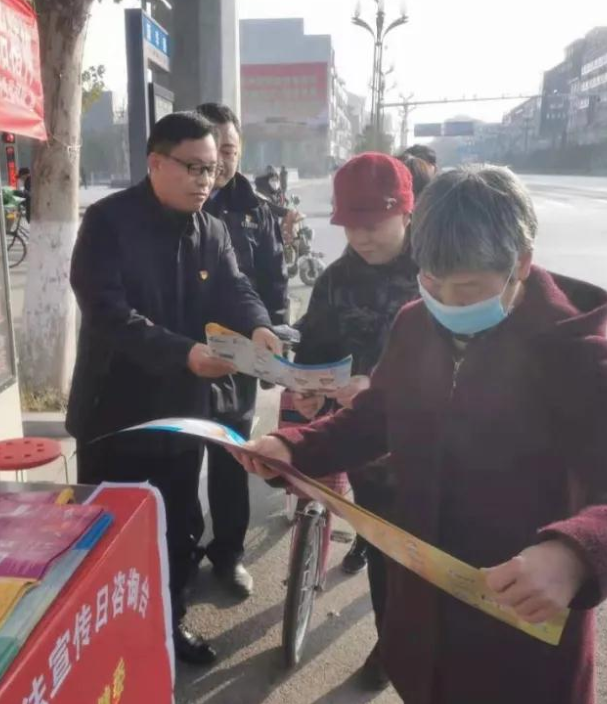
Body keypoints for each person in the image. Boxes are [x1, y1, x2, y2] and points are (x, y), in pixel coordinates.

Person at [236, 165, 607, 703]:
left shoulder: (571, 353)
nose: (446, 303)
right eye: (430, 282)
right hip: (424, 616)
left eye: (466, 289)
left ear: (520, 264)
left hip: (517, 627)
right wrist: (294, 446)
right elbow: (375, 418)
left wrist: (574, 555)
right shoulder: (415, 324)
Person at [67, 111, 279, 667]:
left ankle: (168, 622)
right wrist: (183, 353)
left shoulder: (212, 229)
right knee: (110, 530)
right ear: (155, 163)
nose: (206, 180)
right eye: (193, 167)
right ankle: (105, 639)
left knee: (178, 526)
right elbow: (107, 313)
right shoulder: (108, 222)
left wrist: (259, 325)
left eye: (212, 168)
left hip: (182, 415)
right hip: (115, 416)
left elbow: (235, 287)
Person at [290, 152, 420, 691]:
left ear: (406, 211)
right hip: (370, 454)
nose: (362, 236)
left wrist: (380, 385)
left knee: (438, 564)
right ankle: (391, 646)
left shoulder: (441, 273)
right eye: (351, 224)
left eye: (374, 222)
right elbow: (316, 343)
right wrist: (306, 386)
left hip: (438, 449)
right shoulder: (337, 280)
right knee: (387, 558)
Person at [195, 102, 289, 599]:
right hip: (185, 355)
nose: (222, 162)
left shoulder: (257, 209)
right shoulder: (181, 201)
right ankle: (180, 551)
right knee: (179, 455)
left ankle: (228, 554)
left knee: (233, 456)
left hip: (240, 356)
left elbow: (274, 282)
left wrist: (274, 347)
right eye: (214, 151)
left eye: (230, 150)